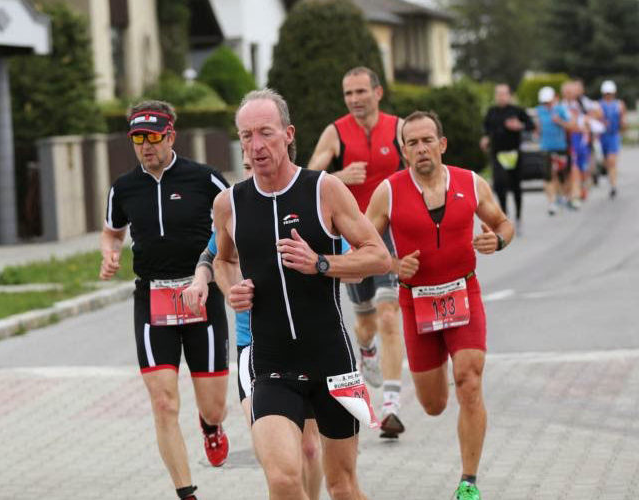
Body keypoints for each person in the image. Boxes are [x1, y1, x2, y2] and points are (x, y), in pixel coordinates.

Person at [214, 89, 391, 500]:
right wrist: (230, 289)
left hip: (331, 359)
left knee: (342, 487)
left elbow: (379, 256)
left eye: (265, 133)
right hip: (272, 362)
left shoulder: (324, 189)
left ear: (288, 134)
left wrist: (321, 264)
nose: (256, 146)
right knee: (283, 480)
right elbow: (222, 260)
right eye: (246, 136)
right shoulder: (229, 204)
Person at [364, 110, 515, 500]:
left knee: (469, 380)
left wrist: (496, 241)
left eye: (427, 140)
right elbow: (361, 244)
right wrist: (394, 265)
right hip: (416, 303)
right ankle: (440, 382)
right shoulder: (389, 192)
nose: (421, 149)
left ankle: (469, 482)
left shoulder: (470, 182)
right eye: (411, 143)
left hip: (464, 293)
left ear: (442, 144)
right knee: (433, 404)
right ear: (403, 151)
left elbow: (503, 223)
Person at [99, 100, 231, 500]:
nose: (146, 146)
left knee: (214, 407)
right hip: (152, 298)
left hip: (201, 296)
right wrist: (110, 251)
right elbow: (112, 231)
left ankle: (210, 426)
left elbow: (234, 220)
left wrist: (222, 267)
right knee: (163, 402)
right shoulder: (123, 188)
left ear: (171, 136)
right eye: (138, 138)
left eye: (153, 137)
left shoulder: (205, 179)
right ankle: (186, 492)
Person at [182, 156, 326, 500]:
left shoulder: (310, 204)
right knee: (278, 460)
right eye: (245, 168)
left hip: (311, 344)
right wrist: (202, 282)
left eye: (255, 166)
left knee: (308, 449)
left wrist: (321, 265)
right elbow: (211, 255)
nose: (252, 174)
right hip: (257, 348)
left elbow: (349, 255)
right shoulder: (239, 208)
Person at [307, 66, 408, 438]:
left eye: (361, 92)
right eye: (348, 94)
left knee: (388, 315)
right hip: (351, 239)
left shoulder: (397, 129)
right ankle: (366, 352)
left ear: (378, 93)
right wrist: (337, 176)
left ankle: (392, 407)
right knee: (365, 323)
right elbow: (310, 171)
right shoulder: (336, 132)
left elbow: (417, 169)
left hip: (389, 235)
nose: (354, 100)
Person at [480, 83, 535, 231]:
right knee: (499, 184)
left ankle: (518, 216)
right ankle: (504, 216)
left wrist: (520, 126)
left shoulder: (517, 111)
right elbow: (486, 128)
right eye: (498, 94)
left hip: (514, 154)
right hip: (498, 154)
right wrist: (485, 138)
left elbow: (531, 125)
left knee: (516, 185)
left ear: (509, 95)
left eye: (504, 94)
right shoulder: (492, 112)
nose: (501, 97)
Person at [535, 86, 575, 216]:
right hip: (546, 147)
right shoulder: (539, 111)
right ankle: (551, 202)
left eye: (549, 102)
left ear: (554, 99)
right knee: (548, 175)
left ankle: (563, 195)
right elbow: (536, 127)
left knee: (562, 175)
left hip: (560, 147)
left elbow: (571, 126)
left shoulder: (561, 109)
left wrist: (560, 121)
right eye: (544, 102)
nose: (547, 104)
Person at [597, 80, 627, 199]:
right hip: (602, 136)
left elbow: (623, 121)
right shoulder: (598, 105)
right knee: (606, 162)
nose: (608, 95)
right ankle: (609, 178)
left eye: (610, 93)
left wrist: (623, 125)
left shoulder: (619, 105)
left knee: (612, 161)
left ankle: (613, 186)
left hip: (613, 135)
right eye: (606, 93)